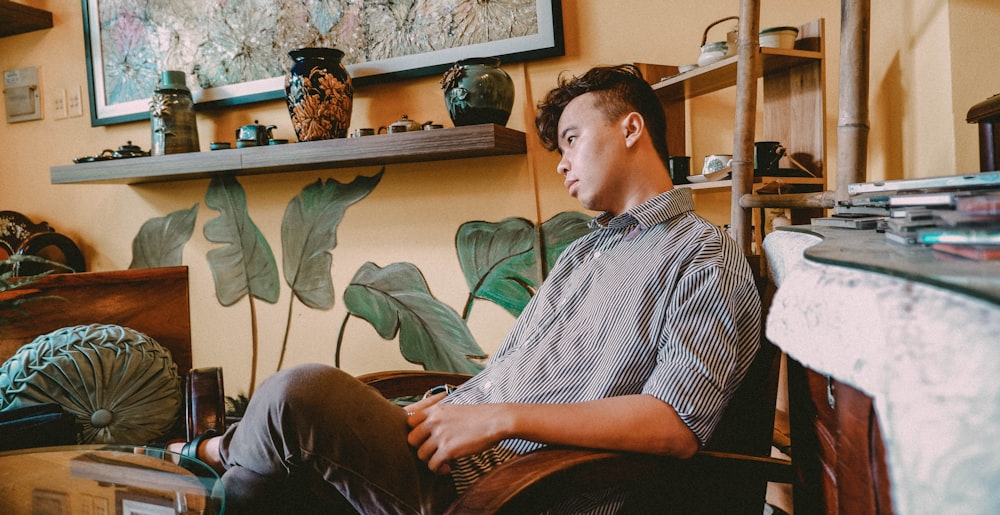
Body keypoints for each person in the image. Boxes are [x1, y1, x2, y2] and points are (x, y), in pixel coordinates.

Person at [172, 64, 761, 514]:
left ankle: (208, 455)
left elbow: (674, 425)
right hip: (460, 445)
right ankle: (212, 461)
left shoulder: (703, 255)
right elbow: (519, 369)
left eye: (573, 138)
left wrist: (498, 418)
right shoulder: (589, 248)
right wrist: (459, 406)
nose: (560, 164)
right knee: (285, 463)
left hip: (510, 487)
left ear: (631, 128)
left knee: (293, 397)